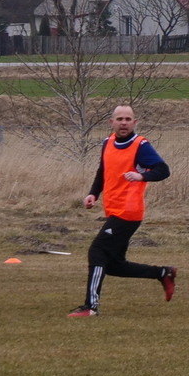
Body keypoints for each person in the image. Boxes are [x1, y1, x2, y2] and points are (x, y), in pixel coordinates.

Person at [70, 104, 174, 318]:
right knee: (114, 265)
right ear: (112, 122)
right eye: (120, 119)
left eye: (128, 119)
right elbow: (103, 170)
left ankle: (91, 307)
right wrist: (93, 194)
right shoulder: (107, 142)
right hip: (113, 210)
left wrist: (142, 176)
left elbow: (163, 170)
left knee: (97, 251)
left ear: (134, 122)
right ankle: (163, 273)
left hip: (128, 212)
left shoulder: (140, 145)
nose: (124, 123)